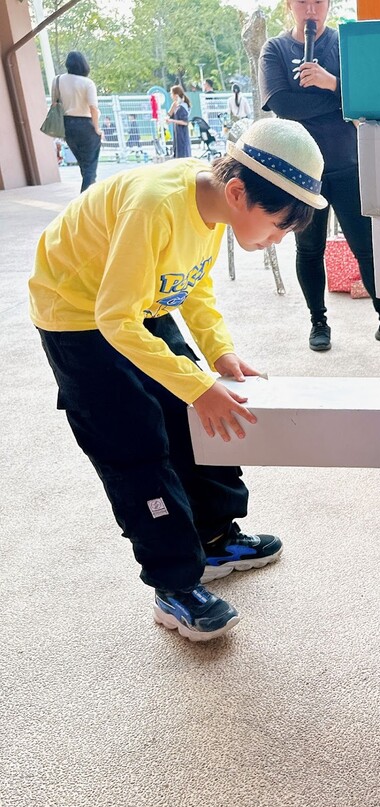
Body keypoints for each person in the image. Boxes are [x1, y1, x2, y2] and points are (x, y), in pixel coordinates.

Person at [29, 119, 325, 641]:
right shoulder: (155, 207)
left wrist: (219, 353)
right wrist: (197, 384)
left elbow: (191, 285)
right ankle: (174, 587)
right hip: (79, 313)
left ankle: (214, 538)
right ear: (239, 193)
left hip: (137, 301)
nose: (278, 240)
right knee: (135, 445)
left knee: (194, 420)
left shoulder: (211, 211)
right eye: (279, 226)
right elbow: (114, 320)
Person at [259, 0, 380, 352]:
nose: (310, 9)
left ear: (329, 5)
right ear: (290, 5)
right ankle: (318, 322)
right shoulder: (275, 49)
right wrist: (340, 101)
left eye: (318, 1)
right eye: (302, 2)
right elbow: (282, 105)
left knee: (366, 249)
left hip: (348, 163)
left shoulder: (344, 44)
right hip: (300, 173)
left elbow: (369, 97)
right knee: (309, 249)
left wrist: (331, 82)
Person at [57, 51, 102, 192]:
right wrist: (97, 129)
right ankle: (86, 201)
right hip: (85, 125)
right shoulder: (87, 83)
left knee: (83, 166)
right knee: (90, 168)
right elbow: (93, 108)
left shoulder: (58, 80)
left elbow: (55, 104)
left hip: (67, 125)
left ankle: (88, 198)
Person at [166, 85, 192, 158]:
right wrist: (172, 107)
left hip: (182, 134)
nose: (171, 96)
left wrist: (172, 120)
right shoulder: (177, 105)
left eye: (172, 94)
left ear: (176, 95)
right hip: (177, 133)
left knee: (182, 153)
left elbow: (185, 122)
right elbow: (169, 115)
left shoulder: (182, 107)